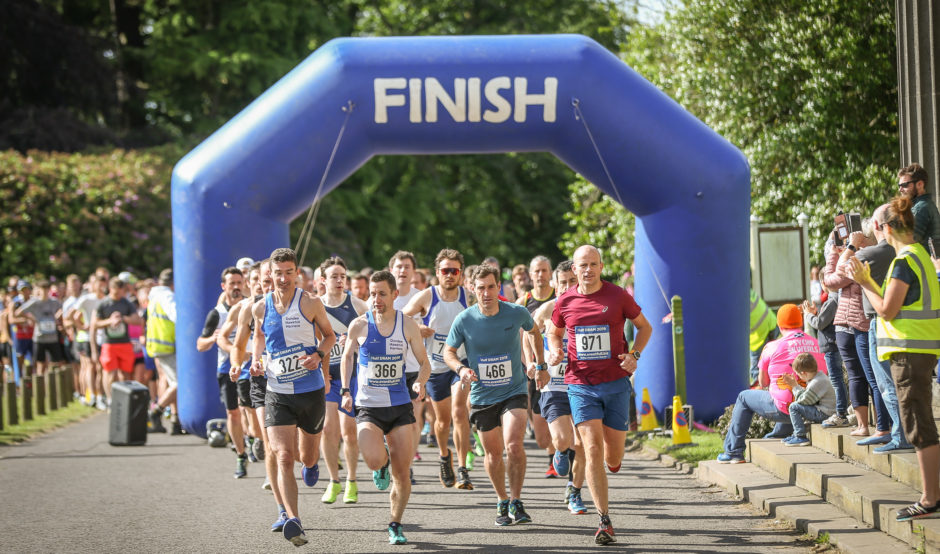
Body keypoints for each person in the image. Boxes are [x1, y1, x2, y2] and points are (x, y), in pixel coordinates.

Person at [548, 245, 652, 545]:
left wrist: (634, 354)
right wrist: (555, 350)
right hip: (580, 384)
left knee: (613, 456)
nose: (588, 270)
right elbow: (554, 331)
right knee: (591, 449)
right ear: (575, 269)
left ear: (601, 266)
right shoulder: (565, 300)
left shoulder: (617, 295)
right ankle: (604, 520)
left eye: (593, 264)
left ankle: (614, 462)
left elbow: (643, 328)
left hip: (616, 383)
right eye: (583, 265)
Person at [846, 195, 940, 521]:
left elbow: (886, 308)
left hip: (908, 353)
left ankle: (929, 499)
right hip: (921, 350)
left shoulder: (904, 261)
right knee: (919, 423)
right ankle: (930, 496)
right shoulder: (921, 256)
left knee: (918, 425)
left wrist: (864, 281)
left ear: (885, 228)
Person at [445, 264, 544, 527]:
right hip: (482, 394)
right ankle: (501, 499)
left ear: (498, 287)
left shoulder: (516, 312)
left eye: (491, 287)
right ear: (472, 289)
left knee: (513, 445)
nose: (486, 293)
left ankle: (516, 500)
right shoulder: (464, 319)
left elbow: (534, 331)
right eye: (481, 288)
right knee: (493, 453)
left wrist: (539, 362)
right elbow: (448, 352)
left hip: (514, 389)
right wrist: (461, 368)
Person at [249, 248, 335, 546]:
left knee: (307, 455)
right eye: (278, 273)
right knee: (283, 455)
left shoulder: (310, 302)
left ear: (296, 273)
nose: (283, 278)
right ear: (269, 275)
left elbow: (330, 335)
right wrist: (256, 359)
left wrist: (318, 355)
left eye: (289, 272)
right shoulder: (260, 308)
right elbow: (259, 337)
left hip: (310, 390)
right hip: (277, 392)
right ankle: (293, 519)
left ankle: (311, 465)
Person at [338, 270, 430, 544]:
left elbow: (424, 363)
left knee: (402, 474)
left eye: (381, 294)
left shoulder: (408, 325)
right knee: (373, 459)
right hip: (368, 407)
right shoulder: (359, 325)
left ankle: (395, 523)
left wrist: (420, 383)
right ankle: (382, 464)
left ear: (395, 295)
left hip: (400, 405)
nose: (376, 299)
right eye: (372, 294)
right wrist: (345, 390)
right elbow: (347, 358)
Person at [402, 248, 474, 490]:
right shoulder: (427, 297)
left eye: (455, 271)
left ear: (461, 274)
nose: (450, 275)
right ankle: (445, 456)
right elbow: (401, 318)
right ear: (437, 273)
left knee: (459, 412)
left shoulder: (469, 297)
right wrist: (417, 327)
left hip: (461, 364)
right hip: (435, 368)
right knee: (442, 421)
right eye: (446, 271)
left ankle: (463, 468)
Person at [718, 305, 825, 460]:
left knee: (744, 397)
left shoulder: (772, 347)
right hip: (813, 407)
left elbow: (763, 382)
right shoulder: (816, 343)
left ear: (779, 325)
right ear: (801, 322)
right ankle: (777, 435)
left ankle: (733, 451)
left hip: (784, 409)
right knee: (789, 397)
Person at [532, 260, 588, 514]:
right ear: (555, 286)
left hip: (584, 385)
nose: (567, 287)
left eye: (571, 282)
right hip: (553, 384)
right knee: (562, 439)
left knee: (585, 443)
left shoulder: (588, 309)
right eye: (562, 283)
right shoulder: (545, 311)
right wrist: (533, 364)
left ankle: (574, 491)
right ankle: (560, 451)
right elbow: (527, 336)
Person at [824, 226, 888, 439]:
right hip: (845, 322)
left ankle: (882, 426)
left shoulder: (865, 256)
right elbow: (832, 281)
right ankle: (865, 425)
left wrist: (845, 250)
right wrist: (841, 252)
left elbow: (833, 281)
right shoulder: (856, 254)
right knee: (856, 376)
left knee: (873, 376)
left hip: (863, 322)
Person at [318, 256, 367, 504]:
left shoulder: (357, 305)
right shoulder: (314, 306)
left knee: (349, 433)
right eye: (334, 276)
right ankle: (333, 480)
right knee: (328, 430)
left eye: (343, 276)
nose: (339, 281)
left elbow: (375, 333)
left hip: (352, 374)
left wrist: (354, 339)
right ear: (322, 281)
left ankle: (352, 480)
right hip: (327, 374)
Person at [197, 267, 250, 477]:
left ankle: (254, 439)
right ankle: (240, 455)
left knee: (251, 409)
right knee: (233, 412)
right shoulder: (217, 313)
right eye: (232, 284)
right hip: (227, 368)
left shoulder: (252, 306)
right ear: (224, 287)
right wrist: (214, 338)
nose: (236, 287)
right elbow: (200, 344)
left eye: (239, 282)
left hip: (250, 366)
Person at [517, 255, 556, 478]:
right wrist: (527, 363)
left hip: (560, 368)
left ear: (550, 273)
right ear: (530, 275)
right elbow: (516, 336)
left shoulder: (560, 298)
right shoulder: (523, 303)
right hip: (534, 370)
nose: (540, 275)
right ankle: (552, 449)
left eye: (544, 270)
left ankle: (557, 457)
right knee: (541, 437)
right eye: (536, 271)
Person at [389, 250, 423, 483]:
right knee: (387, 420)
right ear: (392, 270)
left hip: (414, 368)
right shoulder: (380, 296)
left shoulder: (421, 298)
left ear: (413, 271)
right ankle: (388, 460)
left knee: (413, 419)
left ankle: (407, 465)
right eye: (399, 267)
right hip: (387, 369)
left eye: (407, 267)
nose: (402, 271)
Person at [90, 277, 143, 404]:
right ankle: (110, 399)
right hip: (109, 343)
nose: (118, 295)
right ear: (110, 289)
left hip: (124, 343)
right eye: (115, 292)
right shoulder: (103, 304)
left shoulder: (127, 303)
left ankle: (124, 400)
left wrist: (123, 318)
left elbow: (137, 320)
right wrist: (110, 321)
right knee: (109, 373)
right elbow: (94, 324)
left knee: (125, 374)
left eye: (121, 292)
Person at [803, 289, 849, 428]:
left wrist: (808, 315)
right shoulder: (831, 300)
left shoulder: (832, 301)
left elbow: (819, 323)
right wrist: (815, 313)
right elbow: (824, 320)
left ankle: (841, 413)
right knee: (837, 378)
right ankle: (841, 411)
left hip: (831, 345)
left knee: (836, 379)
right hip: (831, 344)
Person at [145, 269, 179, 434]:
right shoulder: (167, 296)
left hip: (159, 345)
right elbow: (177, 316)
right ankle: (156, 411)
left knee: (171, 381)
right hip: (167, 346)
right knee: (179, 384)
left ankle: (175, 420)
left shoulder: (155, 296)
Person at [781, 353, 836, 446]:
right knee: (796, 406)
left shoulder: (817, 382)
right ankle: (796, 434)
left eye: (798, 375)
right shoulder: (818, 377)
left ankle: (800, 436)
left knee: (793, 407)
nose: (799, 377)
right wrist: (796, 386)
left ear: (804, 373)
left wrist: (794, 386)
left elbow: (803, 401)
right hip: (824, 411)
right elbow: (807, 397)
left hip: (825, 414)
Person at [12, 280, 64, 377]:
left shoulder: (54, 302)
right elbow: (18, 312)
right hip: (39, 337)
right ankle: (41, 386)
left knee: (57, 363)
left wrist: (56, 318)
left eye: (46, 289)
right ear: (39, 290)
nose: (44, 292)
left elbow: (64, 309)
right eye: (42, 289)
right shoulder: (34, 302)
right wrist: (32, 318)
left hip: (52, 337)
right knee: (40, 363)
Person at [897, 163, 940, 252]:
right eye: (899, 185)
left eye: (904, 185)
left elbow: (908, 241)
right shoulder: (924, 204)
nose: (900, 189)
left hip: (925, 263)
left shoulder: (921, 208)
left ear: (920, 184)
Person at [748, 288, 778, 384]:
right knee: (772, 359)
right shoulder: (746, 290)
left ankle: (759, 383)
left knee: (757, 368)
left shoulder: (736, 297)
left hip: (759, 335)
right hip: (771, 322)